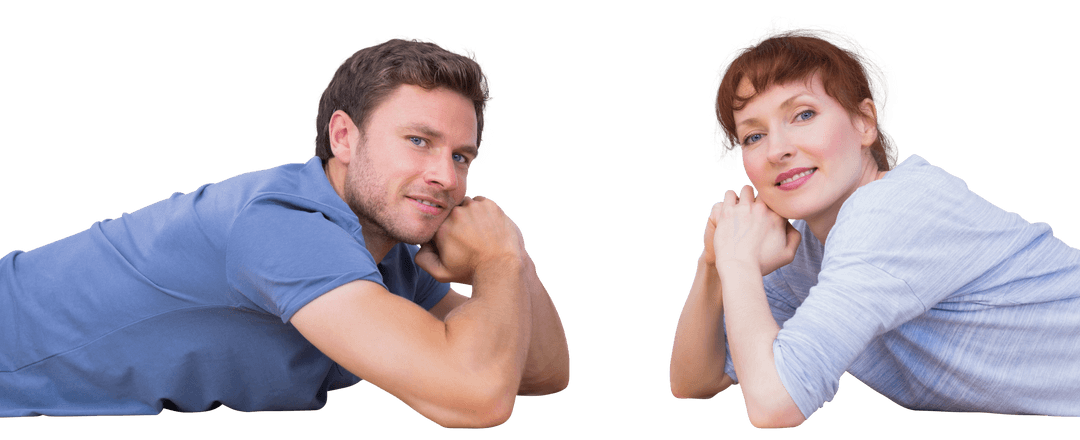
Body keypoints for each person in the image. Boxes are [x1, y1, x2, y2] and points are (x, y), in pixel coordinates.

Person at [0, 37, 570, 428]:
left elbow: (540, 372)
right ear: (343, 138)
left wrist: (512, 252)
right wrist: (495, 263)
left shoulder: (389, 253)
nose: (446, 176)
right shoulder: (284, 226)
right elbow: (474, 400)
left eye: (462, 156)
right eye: (418, 141)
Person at [668, 18, 1080, 428]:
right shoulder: (804, 249)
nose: (777, 149)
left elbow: (775, 405)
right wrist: (714, 264)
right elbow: (697, 380)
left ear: (864, 123)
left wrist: (739, 264)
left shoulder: (892, 212)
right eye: (753, 137)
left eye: (803, 114)